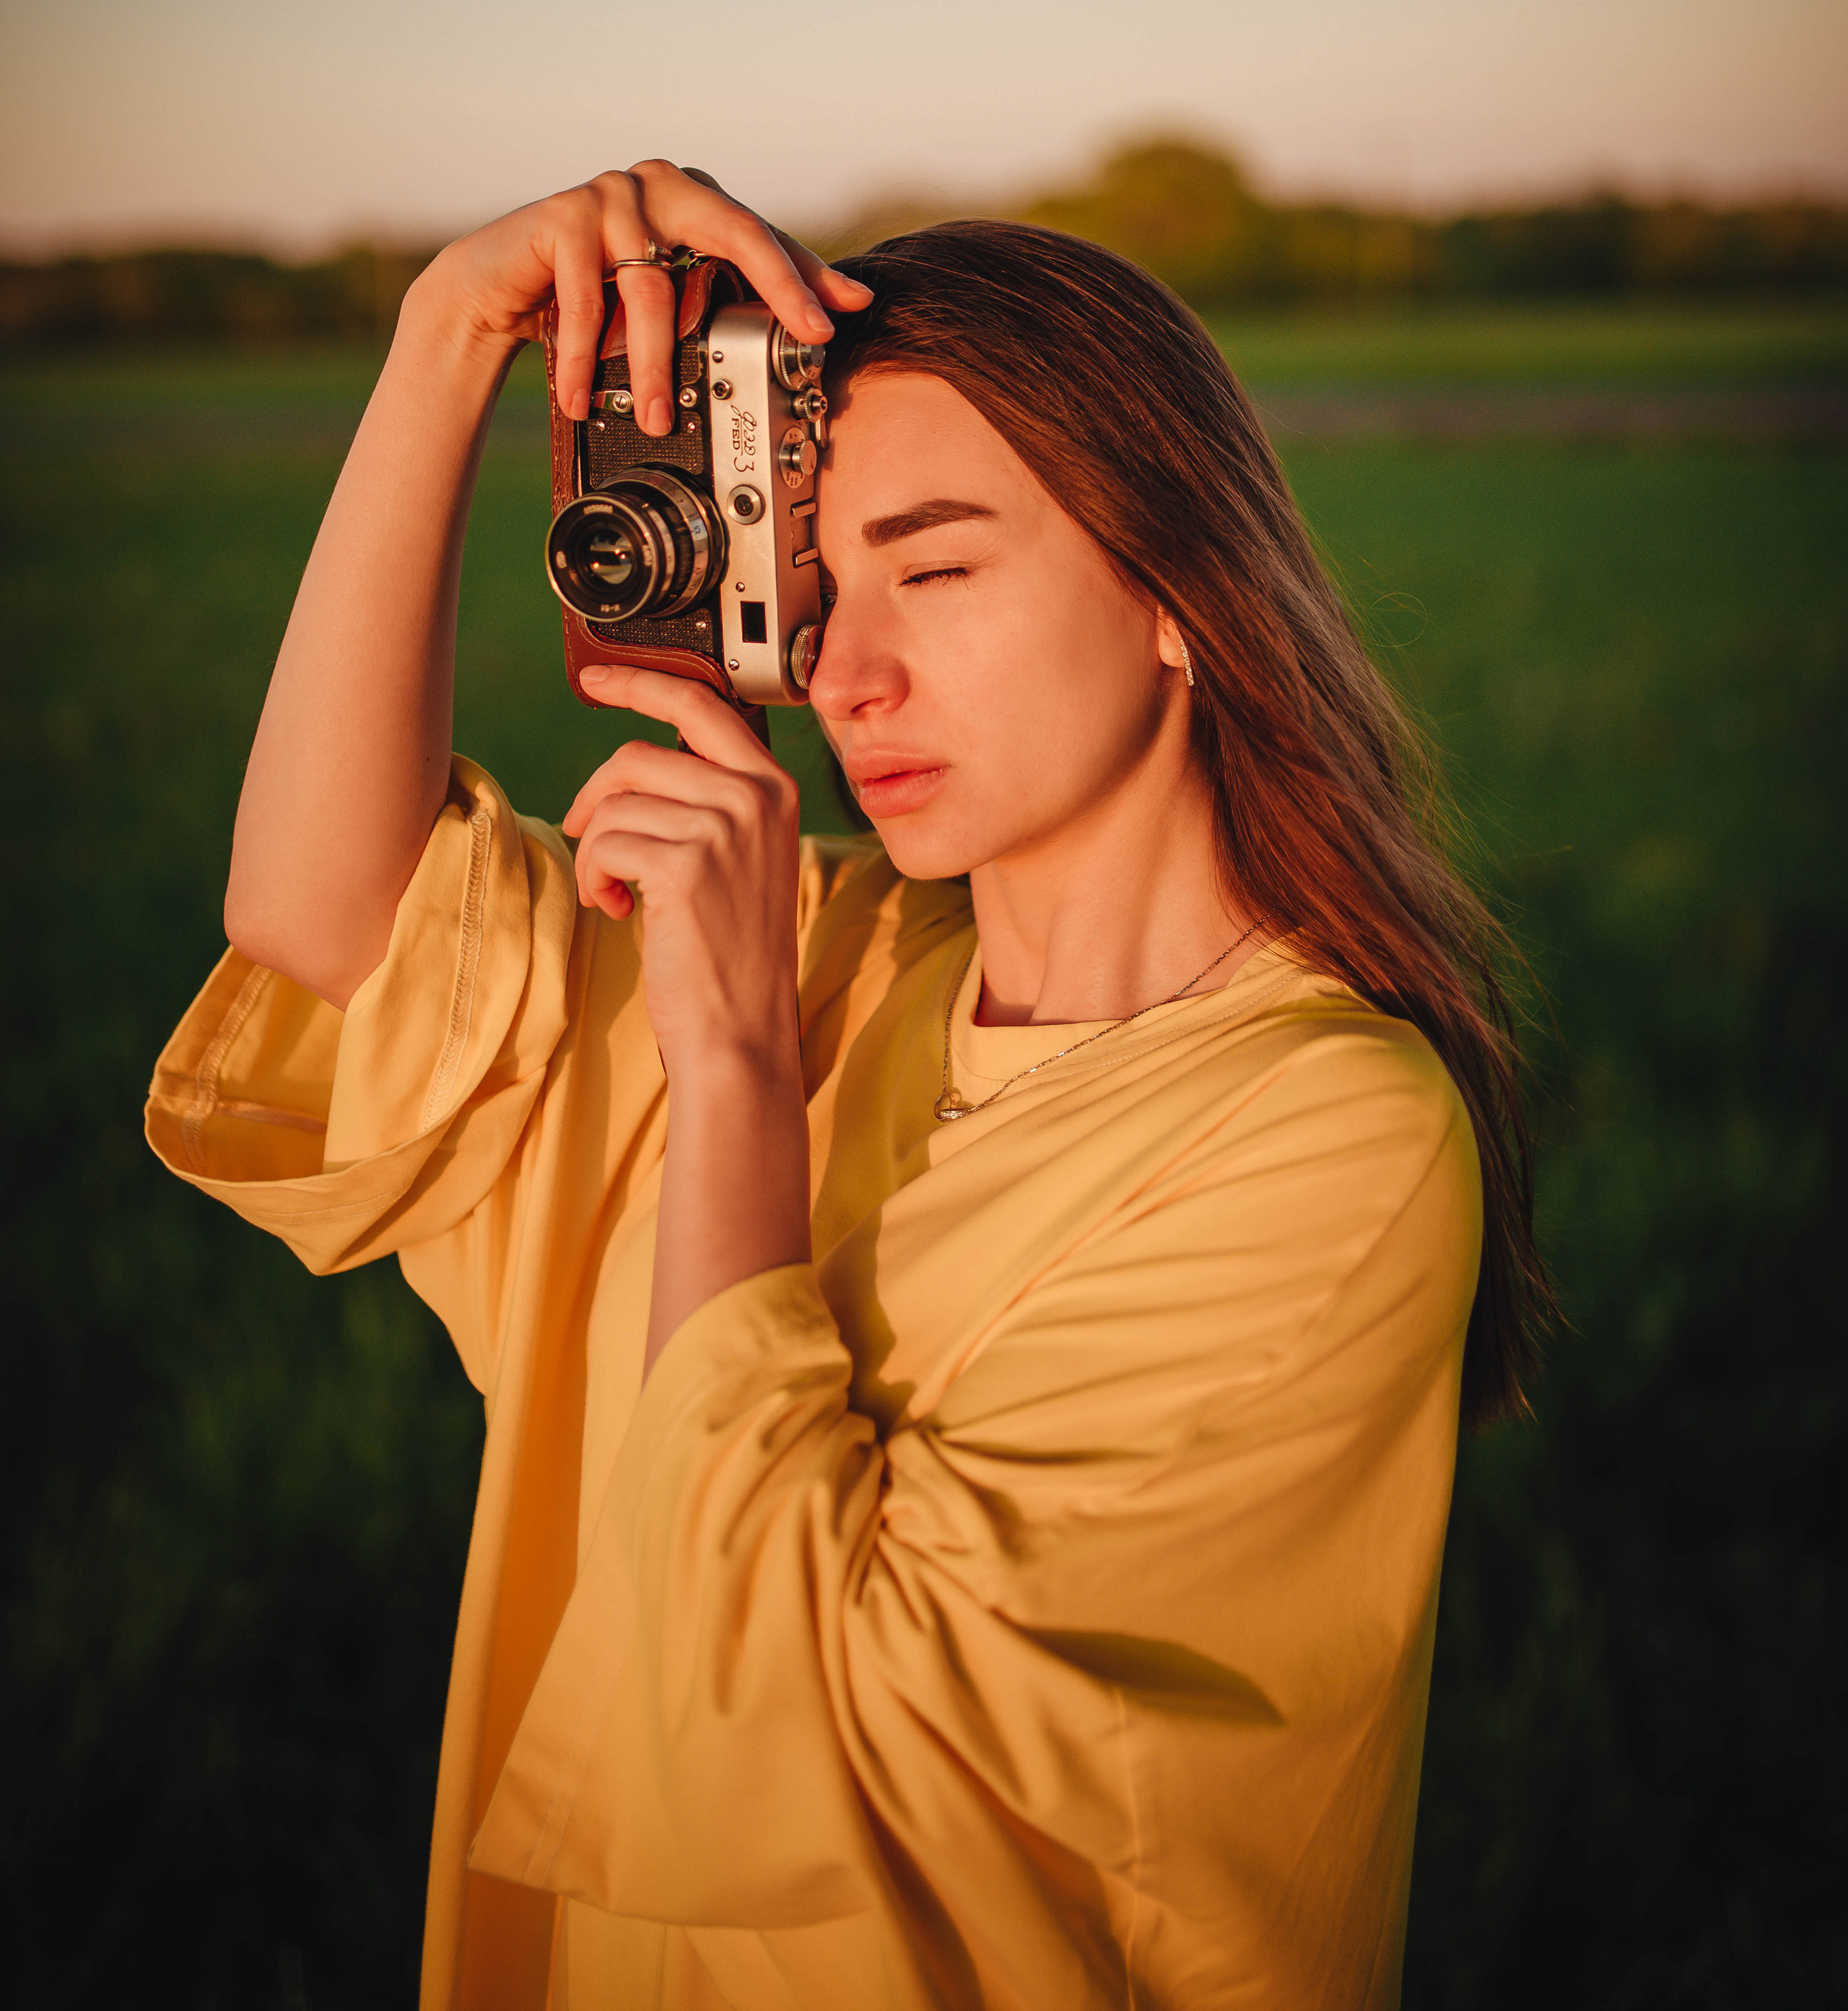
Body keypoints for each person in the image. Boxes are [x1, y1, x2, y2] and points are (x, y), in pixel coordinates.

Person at [147, 158, 1546, 2011]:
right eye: (814, 579)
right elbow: (325, 921)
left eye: (939, 567)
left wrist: (729, 1068)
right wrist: (442, 343)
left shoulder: (1328, 1138)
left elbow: (823, 1736)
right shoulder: (830, 945)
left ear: (1176, 592)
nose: (844, 666)